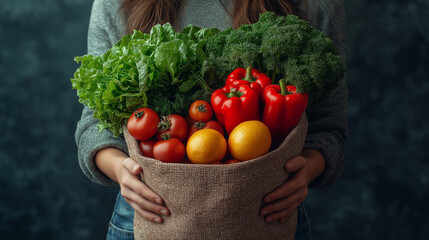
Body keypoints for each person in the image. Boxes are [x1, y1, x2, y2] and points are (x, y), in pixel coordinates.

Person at [75, 0, 348, 239]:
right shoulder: (116, 2)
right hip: (150, 217)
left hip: (266, 217)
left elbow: (328, 128)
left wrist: (308, 169)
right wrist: (120, 169)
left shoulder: (314, 3)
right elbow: (94, 127)